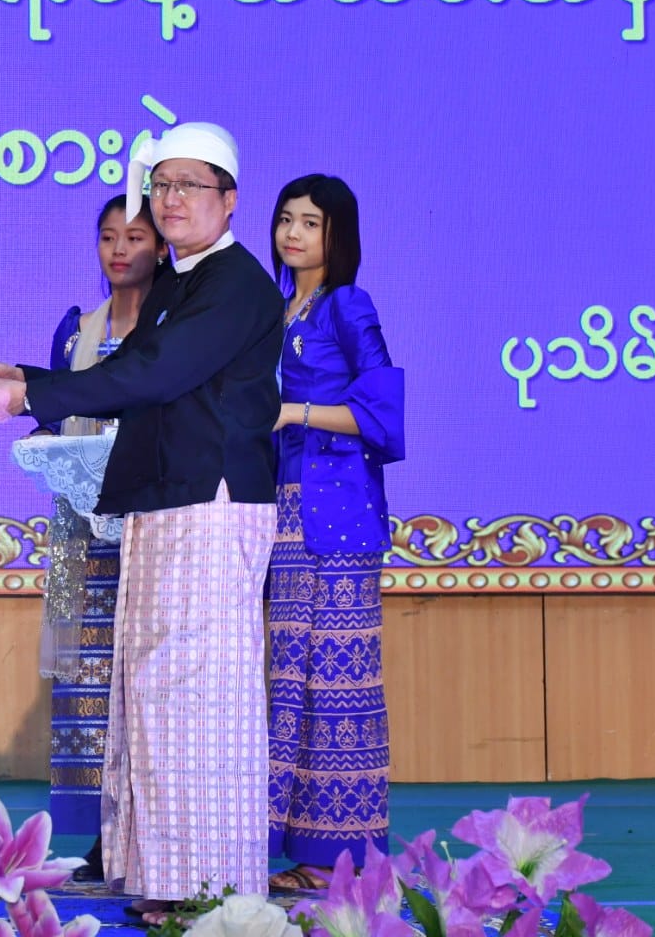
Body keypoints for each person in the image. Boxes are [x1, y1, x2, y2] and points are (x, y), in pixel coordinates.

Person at [0, 122, 282, 919]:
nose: (171, 200)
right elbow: (132, 370)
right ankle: (160, 877)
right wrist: (27, 376)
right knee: (151, 694)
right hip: (163, 498)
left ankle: (206, 889)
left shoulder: (236, 283)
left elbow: (159, 372)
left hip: (209, 504)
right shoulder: (180, 280)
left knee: (195, 698)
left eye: (190, 186)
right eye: (161, 185)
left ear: (229, 200)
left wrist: (31, 397)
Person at [263, 174, 404, 892]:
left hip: (338, 512)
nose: (293, 234)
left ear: (337, 234)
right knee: (291, 678)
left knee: (337, 684)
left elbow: (382, 411)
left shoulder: (348, 304)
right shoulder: (274, 307)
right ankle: (302, 850)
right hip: (282, 508)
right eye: (286, 219)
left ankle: (337, 859)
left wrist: (297, 413)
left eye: (310, 223)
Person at [38, 195, 167, 881]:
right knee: (84, 683)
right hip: (79, 531)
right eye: (108, 237)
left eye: (135, 237)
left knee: (143, 680)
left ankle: (146, 830)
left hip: (150, 526)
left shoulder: (175, 332)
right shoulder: (76, 331)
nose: (120, 249)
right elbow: (55, 414)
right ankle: (96, 837)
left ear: (162, 247)